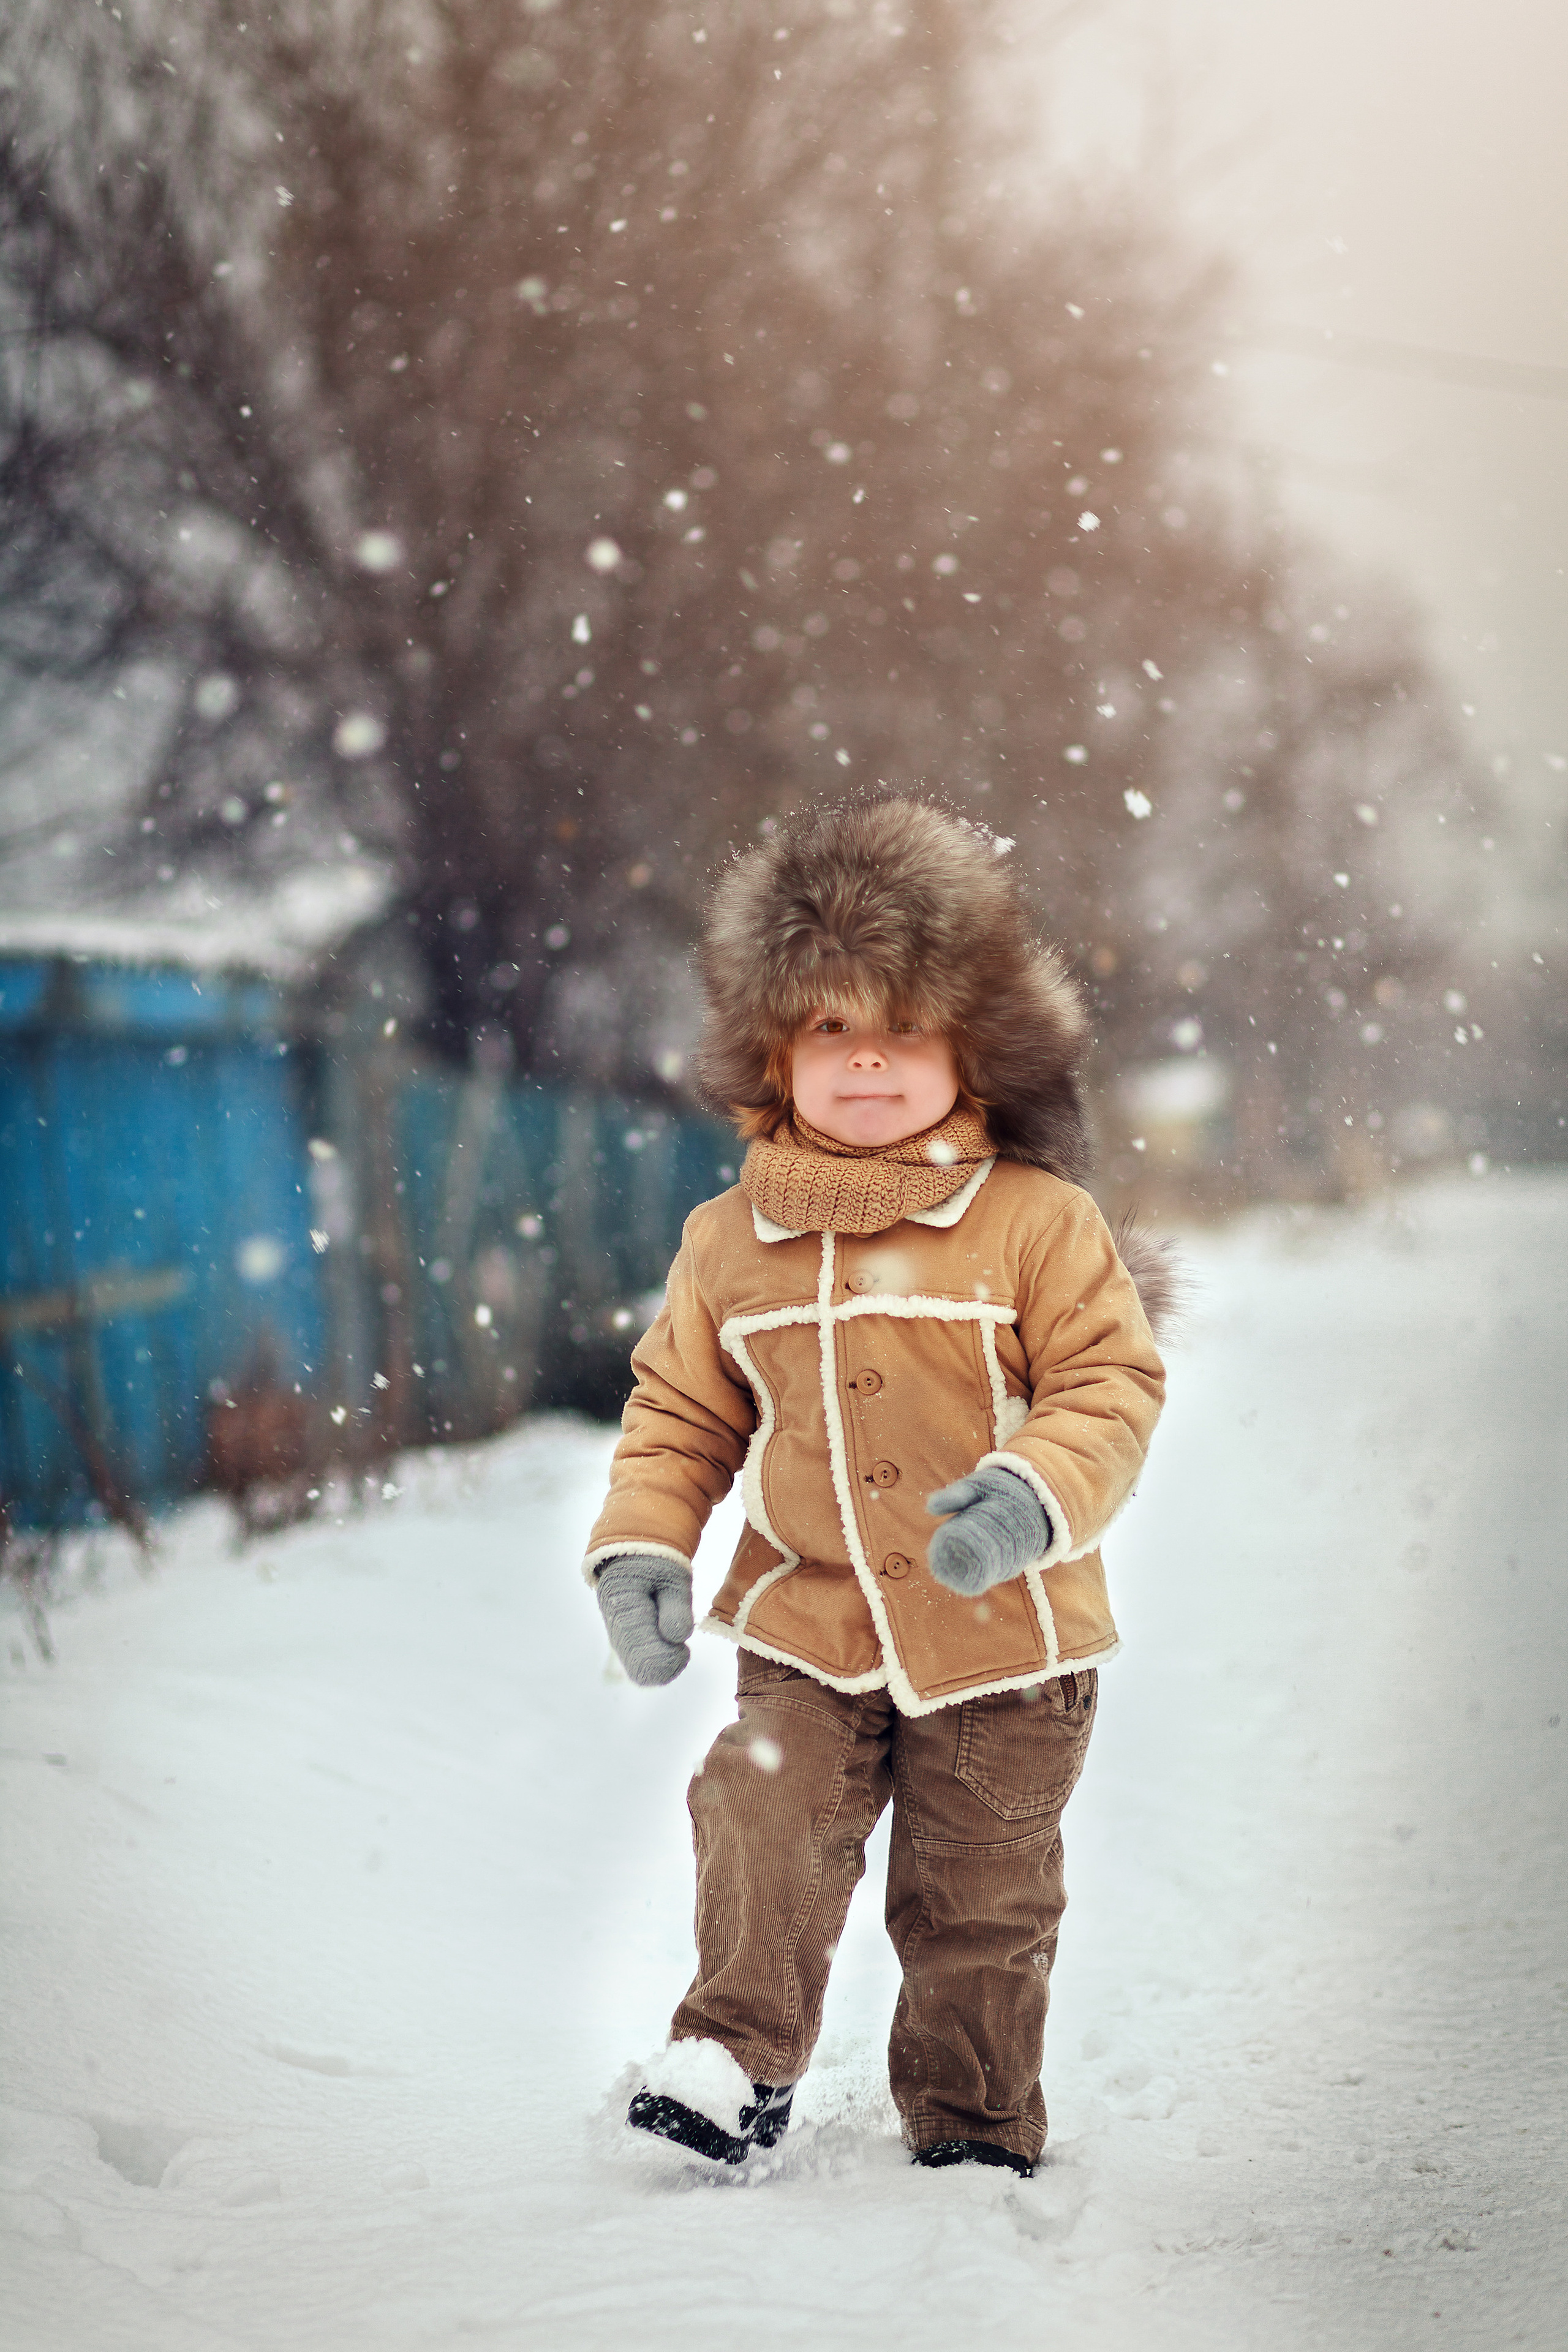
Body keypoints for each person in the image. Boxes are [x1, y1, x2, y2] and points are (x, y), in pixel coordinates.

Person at [584, 794, 1174, 2176]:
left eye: (901, 1032)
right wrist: (641, 1550)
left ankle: (972, 2119)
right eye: (829, 1032)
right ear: (771, 1053)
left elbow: (1108, 1386)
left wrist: (1032, 1493)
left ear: (971, 1047)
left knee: (978, 1898)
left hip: (1007, 1640)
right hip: (808, 1624)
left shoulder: (1036, 1222)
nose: (865, 1065)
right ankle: (731, 2062)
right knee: (759, 1822)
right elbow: (679, 1411)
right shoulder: (727, 1242)